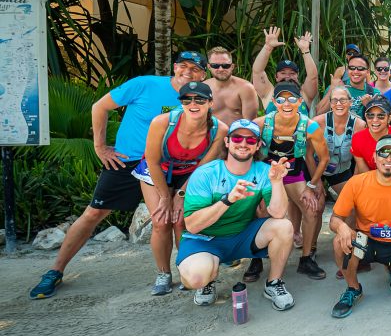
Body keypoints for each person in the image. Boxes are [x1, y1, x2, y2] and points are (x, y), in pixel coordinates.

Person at [31, 51, 207, 299]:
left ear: (203, 75)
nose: (187, 72)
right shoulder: (144, 84)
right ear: (175, 66)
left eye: (195, 68)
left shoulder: (199, 97)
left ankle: (182, 273)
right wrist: (100, 147)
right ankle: (55, 270)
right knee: (94, 213)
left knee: (173, 219)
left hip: (169, 166)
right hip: (127, 160)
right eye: (183, 65)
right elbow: (100, 106)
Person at [174, 120, 295, 311]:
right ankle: (207, 280)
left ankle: (273, 283)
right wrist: (227, 200)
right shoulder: (206, 173)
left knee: (284, 226)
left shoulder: (264, 171)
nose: (243, 143)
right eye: (237, 138)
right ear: (227, 142)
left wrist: (277, 182)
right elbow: (193, 225)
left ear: (258, 145)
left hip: (241, 235)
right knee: (196, 278)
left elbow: (278, 213)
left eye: (250, 140)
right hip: (205, 240)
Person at [135, 81, 226, 295]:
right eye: (187, 100)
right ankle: (163, 273)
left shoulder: (219, 129)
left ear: (210, 102)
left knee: (182, 221)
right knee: (161, 221)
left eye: (200, 99)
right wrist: (166, 197)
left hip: (190, 174)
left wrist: (181, 195)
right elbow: (152, 162)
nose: (193, 104)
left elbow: (203, 167)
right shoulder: (162, 123)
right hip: (157, 171)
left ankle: (185, 269)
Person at [329, 136, 391, 318]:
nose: (389, 158)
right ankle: (353, 288)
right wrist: (342, 226)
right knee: (339, 241)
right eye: (384, 153)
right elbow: (334, 220)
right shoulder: (357, 182)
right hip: (365, 241)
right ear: (374, 157)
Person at [249, 82, 329, 282]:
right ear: (274, 102)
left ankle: (306, 258)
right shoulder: (260, 124)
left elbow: (324, 158)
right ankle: (255, 258)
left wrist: (312, 185)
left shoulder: (310, 126)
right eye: (281, 99)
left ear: (300, 101)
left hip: (293, 173)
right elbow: (245, 151)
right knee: (257, 211)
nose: (287, 103)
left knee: (311, 208)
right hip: (266, 175)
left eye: (292, 99)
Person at [252, 26, 318, 114]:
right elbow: (257, 72)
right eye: (283, 73)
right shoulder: (269, 93)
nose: (287, 76)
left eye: (292, 73)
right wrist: (267, 47)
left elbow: (313, 77)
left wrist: (305, 50)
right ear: (276, 76)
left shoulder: (304, 94)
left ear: (297, 76)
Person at [312, 86, 366, 193]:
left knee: (352, 198)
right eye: (334, 100)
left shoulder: (360, 125)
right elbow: (308, 154)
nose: (338, 103)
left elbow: (359, 159)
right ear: (330, 103)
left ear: (351, 102)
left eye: (343, 100)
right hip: (314, 170)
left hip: (341, 171)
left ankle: (333, 192)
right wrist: (316, 182)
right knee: (315, 202)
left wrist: (354, 182)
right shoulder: (316, 123)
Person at [205, 46, 258, 123]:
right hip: (213, 130)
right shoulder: (204, 87)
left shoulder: (245, 88)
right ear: (209, 67)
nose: (221, 69)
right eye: (215, 66)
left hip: (239, 130)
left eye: (225, 66)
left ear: (232, 66)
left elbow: (250, 123)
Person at [342, 54, 379, 119]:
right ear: (347, 70)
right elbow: (322, 114)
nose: (355, 71)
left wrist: (369, 106)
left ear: (367, 71)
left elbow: (379, 120)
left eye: (360, 68)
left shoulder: (374, 93)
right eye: (352, 68)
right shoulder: (336, 89)